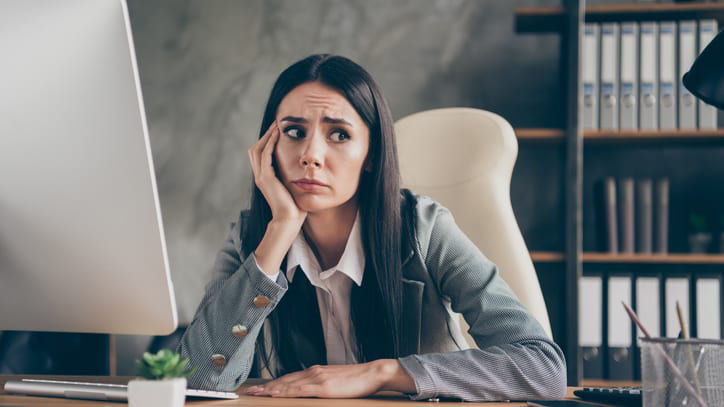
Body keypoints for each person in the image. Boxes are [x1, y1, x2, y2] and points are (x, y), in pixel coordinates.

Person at [177, 54, 567, 401]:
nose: (311, 155)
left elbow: (542, 367)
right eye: (294, 132)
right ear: (268, 148)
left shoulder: (425, 229)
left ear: (371, 155)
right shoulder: (252, 238)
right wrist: (280, 230)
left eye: (339, 134)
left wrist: (381, 373)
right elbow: (197, 378)